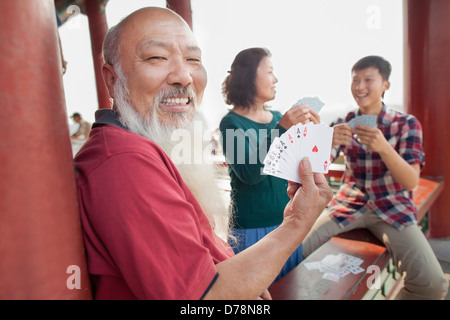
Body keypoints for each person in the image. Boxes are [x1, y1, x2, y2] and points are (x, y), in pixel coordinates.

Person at [74, 7, 333, 300]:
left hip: (274, 225)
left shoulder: (148, 146)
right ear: (111, 79)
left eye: (194, 60)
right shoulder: (124, 161)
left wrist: (240, 275)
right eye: (157, 57)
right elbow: (203, 298)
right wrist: (299, 220)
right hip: (253, 228)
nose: (183, 76)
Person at [302, 55, 448, 300]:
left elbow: (411, 182)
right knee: (294, 250)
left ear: (385, 86)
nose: (360, 86)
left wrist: (384, 147)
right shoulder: (343, 123)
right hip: (347, 205)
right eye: (355, 80)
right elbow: (319, 168)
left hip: (393, 208)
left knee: (432, 284)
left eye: (368, 80)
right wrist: (326, 143)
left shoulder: (406, 124)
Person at [219, 47, 321, 280]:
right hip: (252, 230)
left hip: (288, 223)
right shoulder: (231, 123)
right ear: (249, 76)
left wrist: (313, 133)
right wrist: (282, 130)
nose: (276, 79)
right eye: (270, 72)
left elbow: (306, 163)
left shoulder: (277, 118)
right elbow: (249, 173)